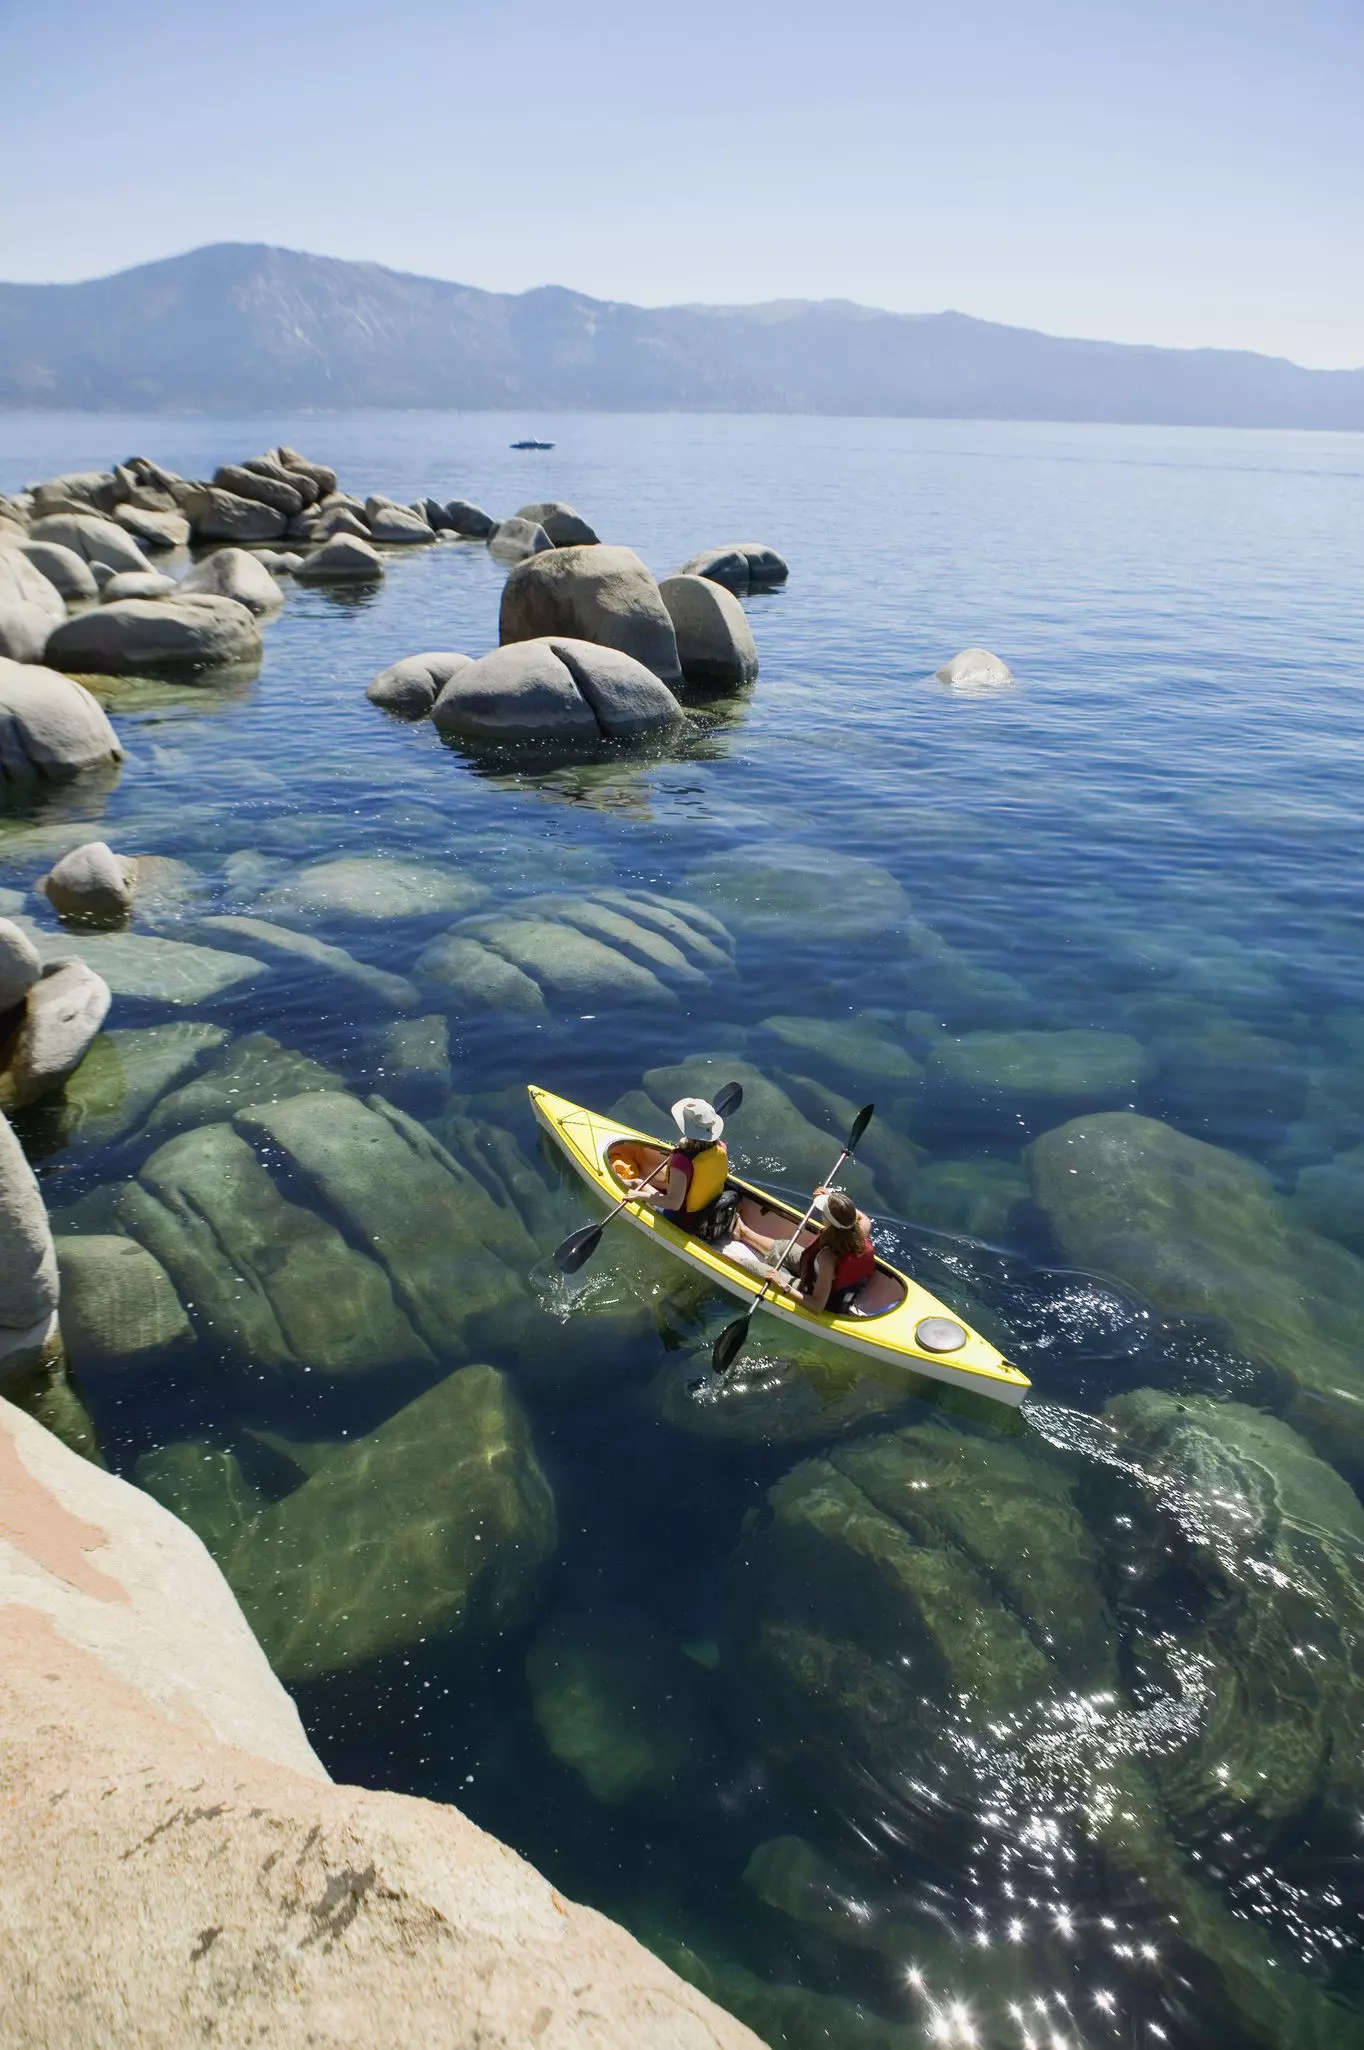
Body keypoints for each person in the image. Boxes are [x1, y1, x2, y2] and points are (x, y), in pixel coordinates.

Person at [727, 1187, 876, 1311]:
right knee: (783, 1246)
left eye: (823, 1211)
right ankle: (744, 1233)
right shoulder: (863, 1227)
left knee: (749, 1266)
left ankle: (727, 1257)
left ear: (829, 1222)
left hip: (814, 1291)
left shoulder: (827, 1259)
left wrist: (782, 1285)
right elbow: (855, 1214)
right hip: (815, 1271)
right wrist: (831, 1198)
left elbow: (817, 1306)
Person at [628, 1097, 734, 1240]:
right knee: (660, 1181)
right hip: (710, 1205)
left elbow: (674, 1203)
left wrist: (639, 1195)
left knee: (637, 1183)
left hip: (687, 1219)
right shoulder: (720, 1147)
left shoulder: (681, 1160)